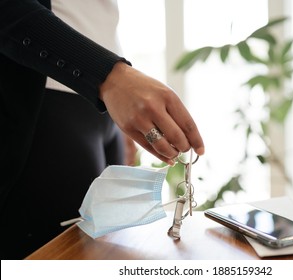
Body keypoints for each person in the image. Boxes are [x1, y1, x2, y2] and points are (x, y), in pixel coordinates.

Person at [0, 0, 205, 259]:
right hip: (43, 101)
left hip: (101, 103)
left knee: (110, 255)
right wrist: (110, 77)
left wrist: (117, 100)